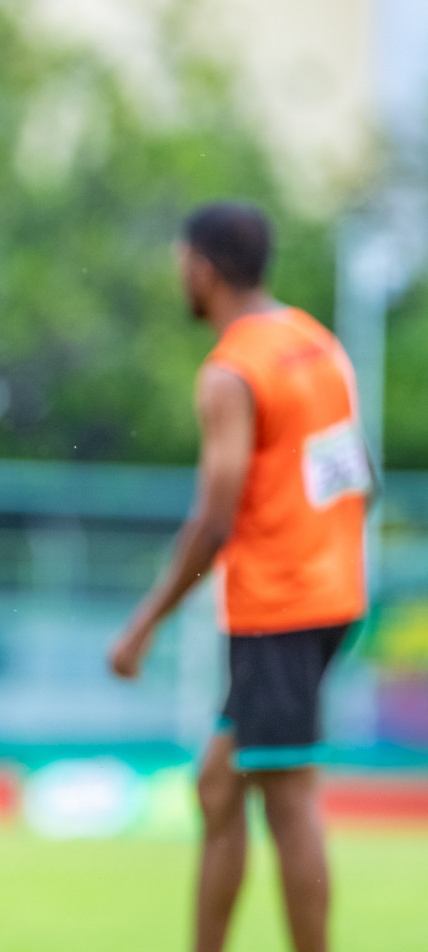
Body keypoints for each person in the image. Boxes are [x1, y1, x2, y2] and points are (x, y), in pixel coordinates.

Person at [109, 202, 371, 952]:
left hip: (279, 608)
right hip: (331, 593)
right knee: (219, 788)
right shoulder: (318, 344)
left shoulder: (232, 373)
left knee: (289, 801)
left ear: (202, 269)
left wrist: (142, 626)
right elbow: (357, 475)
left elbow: (214, 522)